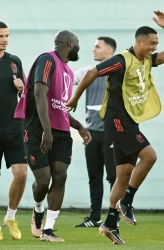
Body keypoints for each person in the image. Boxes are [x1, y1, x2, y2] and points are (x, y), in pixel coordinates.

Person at [66, 10, 164, 244]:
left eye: (156, 43)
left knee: (124, 174)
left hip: (129, 121)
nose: (154, 47)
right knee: (150, 156)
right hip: (116, 122)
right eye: (151, 43)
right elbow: (91, 74)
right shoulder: (119, 60)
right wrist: (76, 97)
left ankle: (110, 223)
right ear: (139, 42)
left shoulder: (147, 59)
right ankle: (126, 201)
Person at [14, 30, 91, 242]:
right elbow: (39, 93)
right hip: (39, 129)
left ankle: (48, 231)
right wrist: (46, 130)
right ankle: (38, 209)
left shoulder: (67, 70)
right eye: (77, 43)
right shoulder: (48, 59)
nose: (78, 48)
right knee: (43, 180)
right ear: (69, 43)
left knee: (60, 175)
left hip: (61, 131)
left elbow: (60, 107)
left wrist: (78, 126)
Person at [73, 36, 117, 228]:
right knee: (94, 176)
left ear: (109, 51)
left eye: (97, 47)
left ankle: (116, 215)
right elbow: (68, 77)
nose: (93, 50)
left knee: (114, 176)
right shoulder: (88, 71)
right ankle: (95, 217)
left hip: (112, 133)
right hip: (91, 133)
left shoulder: (119, 71)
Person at [0, 21, 27, 241]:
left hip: (14, 128)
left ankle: (10, 217)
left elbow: (25, 95)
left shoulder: (14, 61)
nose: (4, 39)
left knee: (21, 174)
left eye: (7, 35)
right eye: (1, 36)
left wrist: (21, 89)